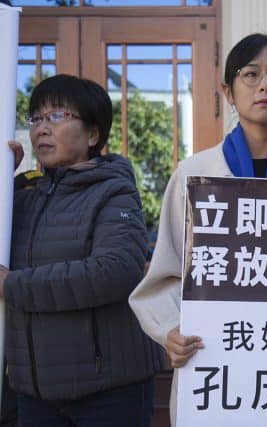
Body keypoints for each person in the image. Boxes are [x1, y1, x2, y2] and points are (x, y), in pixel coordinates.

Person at [128, 33, 267, 425]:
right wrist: (170, 331)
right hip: (216, 370)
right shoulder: (195, 175)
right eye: (251, 74)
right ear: (228, 91)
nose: (265, 85)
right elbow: (164, 277)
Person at [2, 74, 163, 426]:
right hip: (35, 395)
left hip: (109, 394)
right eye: (36, 119)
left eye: (57, 116)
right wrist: (0, 176)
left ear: (93, 135)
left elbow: (115, 272)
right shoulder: (23, 195)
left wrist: (12, 284)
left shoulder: (114, 192)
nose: (42, 129)